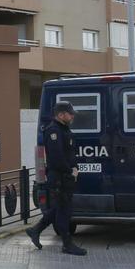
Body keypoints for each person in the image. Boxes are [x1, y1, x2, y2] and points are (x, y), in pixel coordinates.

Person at [26, 101, 87, 256]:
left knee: (58, 209)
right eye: (70, 113)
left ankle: (35, 230)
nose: (73, 116)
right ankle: (67, 244)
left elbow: (67, 153)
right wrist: (70, 170)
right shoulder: (53, 130)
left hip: (64, 177)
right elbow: (56, 157)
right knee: (64, 212)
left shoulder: (63, 129)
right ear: (61, 115)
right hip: (59, 177)